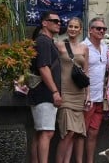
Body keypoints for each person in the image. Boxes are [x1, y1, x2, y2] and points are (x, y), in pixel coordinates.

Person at [29, 12, 63, 163]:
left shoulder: (47, 41)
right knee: (46, 132)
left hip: (43, 93)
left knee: (41, 132)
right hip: (44, 93)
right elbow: (43, 67)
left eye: (59, 21)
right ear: (44, 23)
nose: (58, 23)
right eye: (54, 21)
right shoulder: (43, 41)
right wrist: (55, 91)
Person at [56, 17, 88, 163]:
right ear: (67, 28)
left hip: (79, 93)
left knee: (74, 133)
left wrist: (88, 95)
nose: (73, 29)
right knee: (67, 132)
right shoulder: (59, 45)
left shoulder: (84, 48)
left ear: (80, 30)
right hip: (65, 93)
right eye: (70, 26)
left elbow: (86, 72)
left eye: (76, 27)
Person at [82, 17, 109, 163]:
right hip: (86, 97)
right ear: (90, 30)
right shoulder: (83, 46)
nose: (102, 31)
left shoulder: (105, 47)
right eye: (98, 28)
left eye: (104, 29)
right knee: (81, 133)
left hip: (99, 98)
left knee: (93, 133)